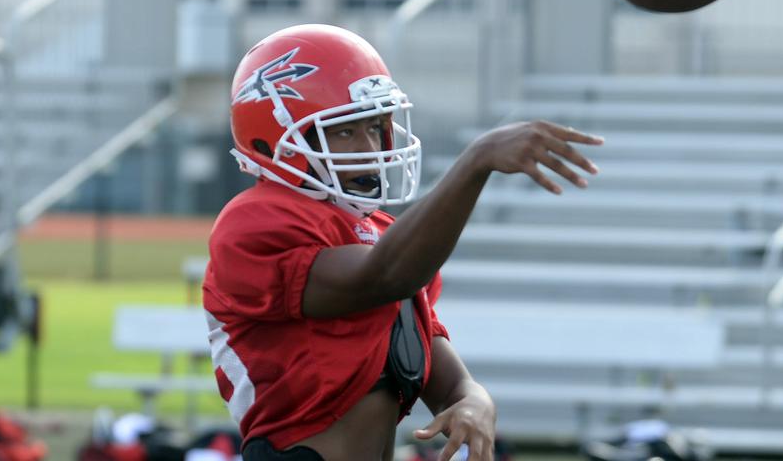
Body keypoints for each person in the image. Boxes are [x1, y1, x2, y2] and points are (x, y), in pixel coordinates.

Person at [202, 24, 603, 461]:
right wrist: (476, 161)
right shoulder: (254, 221)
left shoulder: (384, 233)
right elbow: (383, 276)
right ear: (276, 135)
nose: (369, 146)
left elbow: (450, 382)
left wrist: (474, 402)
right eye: (344, 131)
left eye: (375, 128)